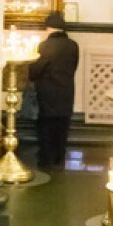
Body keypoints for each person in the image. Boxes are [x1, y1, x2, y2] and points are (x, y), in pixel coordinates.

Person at [29, 12, 79, 170]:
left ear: (49, 28)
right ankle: (59, 157)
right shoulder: (73, 45)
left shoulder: (45, 46)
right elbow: (74, 67)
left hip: (48, 91)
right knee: (63, 124)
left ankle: (46, 158)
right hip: (66, 90)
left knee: (46, 125)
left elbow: (37, 70)